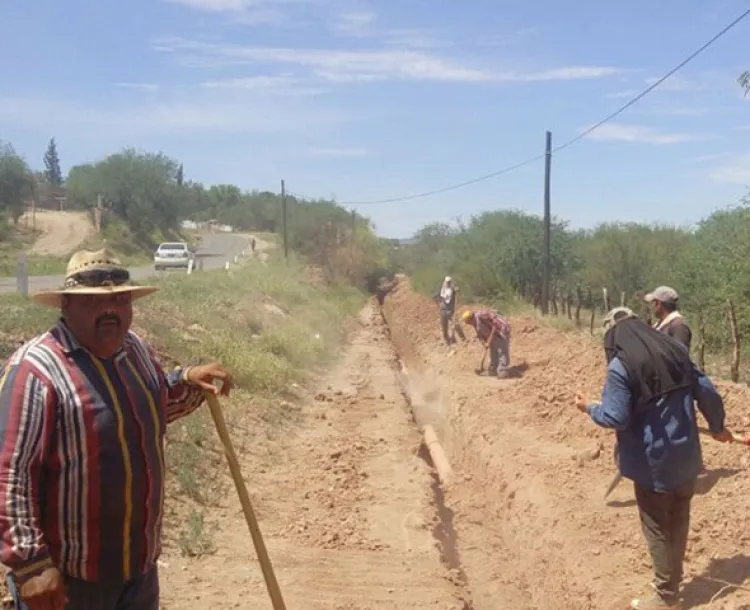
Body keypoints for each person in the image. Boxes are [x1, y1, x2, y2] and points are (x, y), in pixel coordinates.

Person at [0, 248, 232, 610]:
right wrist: (30, 564)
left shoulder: (135, 350)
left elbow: (152, 406)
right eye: (92, 302)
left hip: (137, 568)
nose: (110, 310)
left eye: (121, 300)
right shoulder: (36, 371)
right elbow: (10, 474)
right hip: (69, 581)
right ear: (65, 305)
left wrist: (188, 381)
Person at [574, 307, 733, 609]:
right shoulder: (676, 351)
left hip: (652, 464)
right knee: (679, 518)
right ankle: (674, 579)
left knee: (657, 526)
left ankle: (665, 595)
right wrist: (717, 426)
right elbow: (708, 393)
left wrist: (589, 408)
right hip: (688, 458)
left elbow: (616, 417)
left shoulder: (621, 367)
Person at [460, 308, 511, 378]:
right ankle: (493, 370)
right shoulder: (474, 323)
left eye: (468, 322)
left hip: (501, 330)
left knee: (502, 350)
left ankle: (502, 370)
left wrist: (489, 340)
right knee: (493, 351)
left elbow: (495, 325)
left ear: (471, 319)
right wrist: (484, 343)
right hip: (492, 335)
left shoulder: (482, 315)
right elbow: (479, 334)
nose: (468, 324)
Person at [644, 286, 691, 352]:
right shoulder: (659, 324)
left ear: (658, 304)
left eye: (653, 302)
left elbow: (680, 355)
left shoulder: (679, 326)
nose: (652, 306)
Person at [434, 277, 464, 345]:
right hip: (443, 311)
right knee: (444, 326)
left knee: (456, 324)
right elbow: (439, 297)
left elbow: (457, 290)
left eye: (449, 282)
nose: (448, 283)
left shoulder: (452, 289)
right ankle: (447, 339)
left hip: (451, 311)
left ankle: (463, 338)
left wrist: (456, 290)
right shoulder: (443, 289)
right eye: (447, 282)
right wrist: (439, 304)